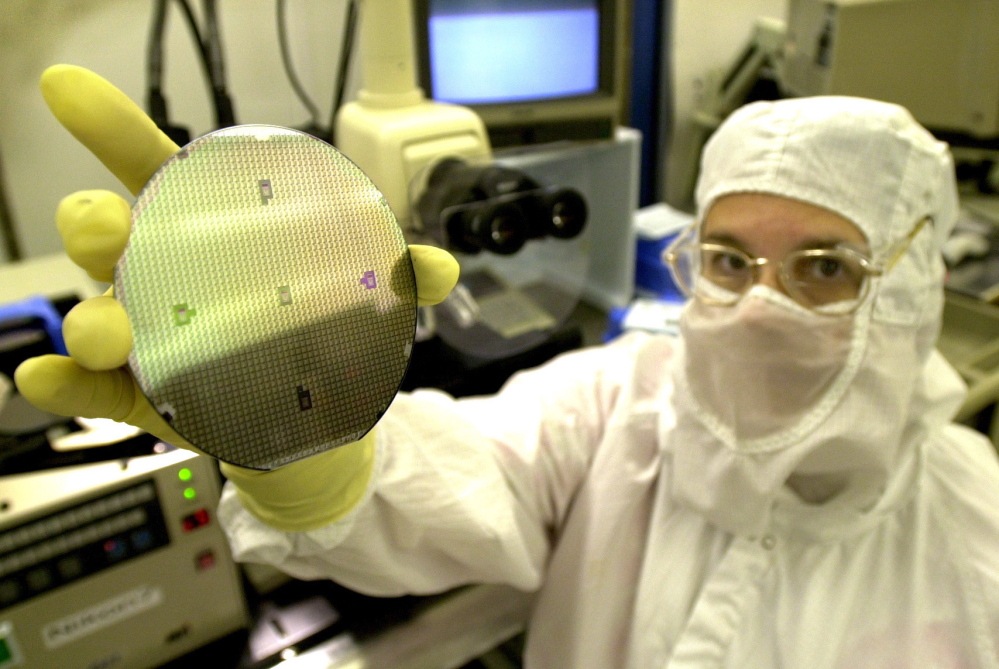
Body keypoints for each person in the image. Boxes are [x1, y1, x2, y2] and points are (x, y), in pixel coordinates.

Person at [16, 65, 999, 668]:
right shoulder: (625, 402)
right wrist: (295, 435)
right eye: (730, 260)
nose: (760, 305)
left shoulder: (978, 544)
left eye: (826, 267)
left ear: (914, 283)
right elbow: (474, 475)